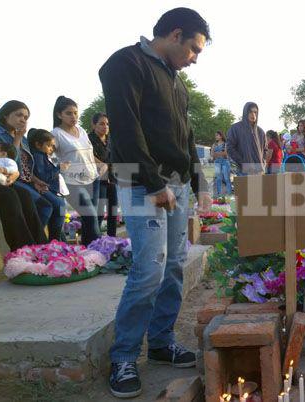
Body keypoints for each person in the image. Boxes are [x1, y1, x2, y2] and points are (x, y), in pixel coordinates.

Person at [99, 7, 212, 398]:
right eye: (194, 49)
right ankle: (125, 354)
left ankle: (161, 342)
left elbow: (187, 135)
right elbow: (127, 130)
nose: (195, 58)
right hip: (141, 183)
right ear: (175, 34)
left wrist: (199, 184)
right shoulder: (125, 64)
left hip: (177, 186)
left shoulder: (176, 81)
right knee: (149, 269)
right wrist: (152, 183)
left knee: (175, 266)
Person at [0, 101, 54, 240]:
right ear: (5, 115)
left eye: (26, 117)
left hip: (22, 179)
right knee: (43, 205)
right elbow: (7, 162)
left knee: (55, 203)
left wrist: (35, 180)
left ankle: (44, 245)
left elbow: (24, 165)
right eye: (19, 115)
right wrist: (18, 138)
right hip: (7, 177)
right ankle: (31, 247)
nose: (23, 120)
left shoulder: (22, 137)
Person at [52, 96, 102, 246]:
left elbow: (88, 153)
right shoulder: (56, 133)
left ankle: (89, 255)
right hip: (72, 182)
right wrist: (59, 165)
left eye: (75, 112)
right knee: (91, 217)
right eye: (68, 113)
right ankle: (102, 250)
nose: (73, 116)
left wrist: (103, 165)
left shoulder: (81, 131)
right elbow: (50, 157)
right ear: (59, 115)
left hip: (93, 178)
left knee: (90, 220)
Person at [28, 129, 67, 241]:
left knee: (59, 209)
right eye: (49, 145)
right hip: (43, 188)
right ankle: (51, 240)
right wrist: (59, 168)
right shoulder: (38, 156)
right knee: (59, 205)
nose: (51, 149)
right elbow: (43, 177)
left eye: (52, 146)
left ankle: (57, 240)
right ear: (38, 145)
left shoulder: (43, 155)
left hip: (51, 189)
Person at [89, 112, 118, 237]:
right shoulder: (89, 139)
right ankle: (96, 240)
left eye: (107, 124)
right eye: (101, 124)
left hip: (112, 178)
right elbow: (89, 157)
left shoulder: (111, 139)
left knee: (113, 211)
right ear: (94, 125)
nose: (105, 126)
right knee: (99, 212)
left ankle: (112, 239)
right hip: (97, 179)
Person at [226, 102, 266, 175]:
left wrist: (263, 162)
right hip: (244, 170)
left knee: (259, 187)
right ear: (245, 112)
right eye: (250, 112)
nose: (253, 114)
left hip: (259, 170)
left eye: (255, 112)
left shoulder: (261, 132)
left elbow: (265, 149)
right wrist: (243, 162)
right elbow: (230, 148)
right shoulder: (235, 128)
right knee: (245, 187)